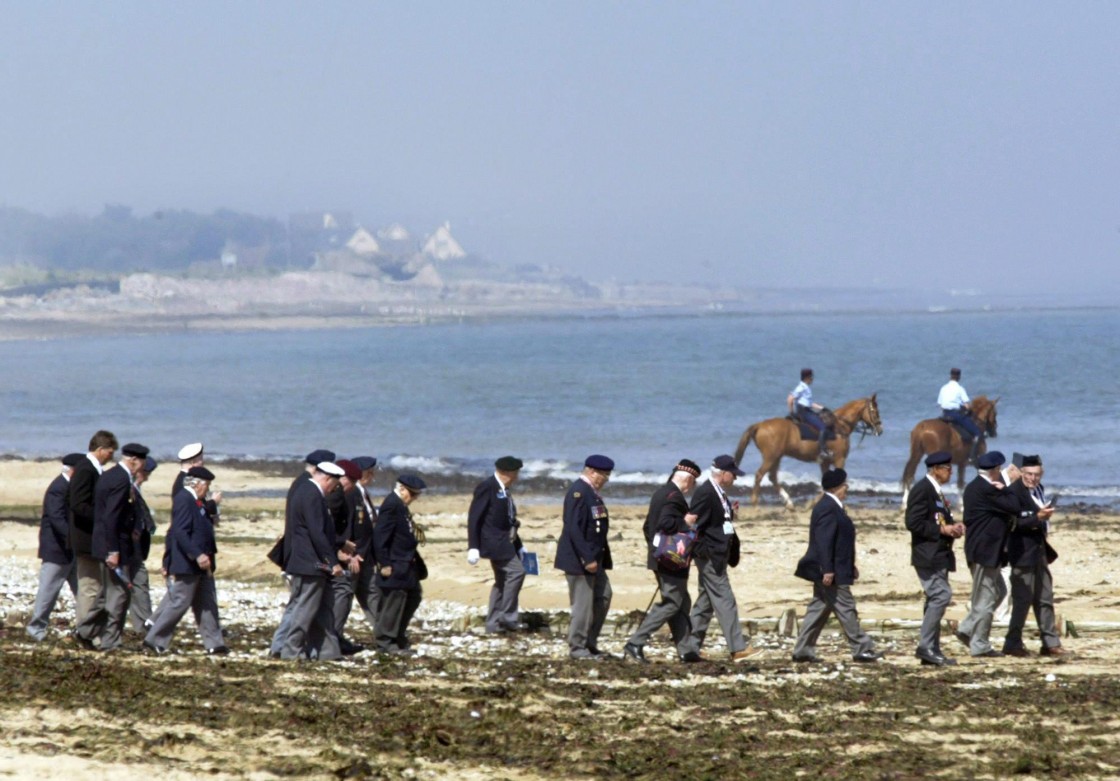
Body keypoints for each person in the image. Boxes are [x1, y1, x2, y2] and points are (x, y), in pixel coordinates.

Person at [791, 467, 882, 663]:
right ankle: (862, 648)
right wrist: (828, 570)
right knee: (846, 607)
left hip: (836, 567)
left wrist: (850, 565)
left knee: (818, 609)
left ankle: (803, 650)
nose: (846, 488)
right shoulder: (827, 508)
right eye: (844, 485)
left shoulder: (832, 506)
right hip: (830, 571)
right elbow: (824, 541)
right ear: (835, 488)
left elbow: (840, 541)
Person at [681, 455, 760, 663]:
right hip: (709, 555)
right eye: (733, 474)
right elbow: (692, 521)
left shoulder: (717, 492)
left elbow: (713, 520)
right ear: (723, 474)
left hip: (717, 553)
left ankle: (690, 648)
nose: (735, 478)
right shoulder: (706, 492)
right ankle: (738, 648)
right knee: (725, 600)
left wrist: (729, 514)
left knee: (705, 603)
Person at [623, 459, 702, 664]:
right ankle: (635, 643)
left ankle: (686, 651)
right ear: (688, 480)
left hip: (661, 558)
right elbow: (665, 523)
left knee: (681, 601)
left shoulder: (661, 493)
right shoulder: (674, 497)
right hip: (671, 560)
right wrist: (685, 523)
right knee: (672, 602)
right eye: (693, 482)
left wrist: (655, 549)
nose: (692, 487)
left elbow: (647, 526)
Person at [144, 466, 228, 655]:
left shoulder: (196, 501)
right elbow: (179, 532)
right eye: (207, 485)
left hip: (202, 562)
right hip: (188, 562)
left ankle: (214, 644)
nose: (208, 489)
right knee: (180, 602)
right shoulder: (184, 499)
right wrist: (196, 554)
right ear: (198, 484)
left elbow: (203, 523)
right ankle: (154, 639)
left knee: (206, 602)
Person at [78, 441, 149, 653]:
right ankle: (110, 641)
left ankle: (85, 631)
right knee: (119, 594)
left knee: (105, 594)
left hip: (108, 543)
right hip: (114, 545)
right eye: (142, 463)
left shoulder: (111, 474)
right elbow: (111, 517)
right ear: (133, 460)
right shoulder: (120, 479)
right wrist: (114, 551)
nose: (143, 468)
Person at [269, 448, 336, 658]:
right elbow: (315, 531)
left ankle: (284, 647)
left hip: (300, 557)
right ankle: (289, 649)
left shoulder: (302, 486)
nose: (333, 489)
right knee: (303, 608)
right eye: (334, 484)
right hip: (308, 560)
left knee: (299, 605)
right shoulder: (309, 491)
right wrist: (331, 560)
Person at [956, 451, 1022, 658]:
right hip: (984, 552)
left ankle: (967, 628)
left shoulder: (975, 486)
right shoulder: (987, 489)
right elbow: (1015, 506)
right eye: (999, 470)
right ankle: (980, 645)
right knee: (985, 598)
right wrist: (1007, 489)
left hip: (984, 550)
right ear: (994, 471)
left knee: (998, 592)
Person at [905, 451, 965, 666]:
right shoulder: (922, 489)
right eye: (948, 469)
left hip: (940, 553)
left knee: (934, 599)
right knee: (941, 595)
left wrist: (953, 527)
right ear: (936, 469)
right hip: (927, 554)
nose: (951, 473)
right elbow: (913, 522)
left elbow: (938, 518)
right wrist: (942, 530)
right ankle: (925, 647)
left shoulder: (936, 491)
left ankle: (932, 648)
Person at [1003, 454, 1064, 657]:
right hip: (1021, 552)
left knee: (1045, 597)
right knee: (1022, 600)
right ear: (1021, 473)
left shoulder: (1039, 489)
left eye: (1036, 475)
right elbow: (1013, 524)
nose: (1032, 478)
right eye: (1029, 474)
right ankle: (1012, 642)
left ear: (1041, 474)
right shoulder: (1013, 493)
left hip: (1039, 550)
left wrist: (1042, 518)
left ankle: (1050, 643)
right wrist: (1037, 518)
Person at [555, 455, 615, 660]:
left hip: (595, 558)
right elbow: (574, 528)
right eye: (604, 475)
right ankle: (578, 647)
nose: (606, 479)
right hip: (580, 560)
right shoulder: (579, 492)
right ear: (591, 471)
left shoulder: (592, 493)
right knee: (583, 605)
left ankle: (590, 642)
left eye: (607, 475)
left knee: (604, 595)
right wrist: (587, 558)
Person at [26, 453, 84, 642]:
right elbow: (57, 518)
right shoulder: (58, 488)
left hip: (72, 551)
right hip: (57, 550)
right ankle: (35, 629)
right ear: (73, 470)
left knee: (84, 591)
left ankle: (87, 629)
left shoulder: (72, 488)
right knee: (48, 592)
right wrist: (74, 539)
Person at [67, 430, 118, 644]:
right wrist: (102, 517)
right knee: (90, 587)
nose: (111, 457)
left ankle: (88, 631)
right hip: (85, 538)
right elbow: (78, 504)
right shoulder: (86, 469)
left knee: (93, 586)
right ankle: (85, 632)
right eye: (110, 452)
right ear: (100, 449)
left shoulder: (93, 469)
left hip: (91, 538)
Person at [466, 456, 527, 634]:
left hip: (507, 542)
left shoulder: (504, 490)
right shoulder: (487, 487)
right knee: (517, 572)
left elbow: (509, 521)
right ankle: (507, 618)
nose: (517, 477)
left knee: (502, 581)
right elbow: (474, 518)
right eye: (516, 473)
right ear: (507, 473)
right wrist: (473, 546)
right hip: (493, 543)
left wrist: (519, 545)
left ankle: (493, 624)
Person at [373, 474, 428, 655]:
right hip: (395, 563)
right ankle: (386, 642)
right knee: (393, 603)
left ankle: (397, 636)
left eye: (416, 495)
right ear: (402, 489)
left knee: (413, 597)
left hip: (406, 563)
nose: (414, 498)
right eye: (413, 494)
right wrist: (384, 563)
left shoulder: (400, 505)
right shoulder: (391, 504)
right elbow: (380, 536)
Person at [328, 459, 365, 654]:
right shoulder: (335, 496)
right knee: (341, 591)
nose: (353, 486)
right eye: (351, 481)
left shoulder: (345, 494)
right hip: (326, 554)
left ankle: (335, 637)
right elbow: (323, 527)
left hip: (335, 551)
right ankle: (332, 639)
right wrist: (339, 549)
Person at [128, 456, 159, 633]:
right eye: (145, 473)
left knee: (138, 584)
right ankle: (146, 624)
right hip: (128, 546)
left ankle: (143, 625)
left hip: (135, 545)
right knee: (137, 584)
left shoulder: (134, 488)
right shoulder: (128, 488)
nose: (146, 478)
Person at [350, 456, 381, 634]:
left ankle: (384, 634)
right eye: (370, 473)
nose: (373, 476)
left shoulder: (362, 492)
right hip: (355, 553)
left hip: (367, 552)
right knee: (346, 596)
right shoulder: (352, 492)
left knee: (371, 592)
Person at [938, 368, 984, 466]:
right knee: (977, 433)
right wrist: (968, 409)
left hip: (945, 415)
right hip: (956, 415)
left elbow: (941, 405)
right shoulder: (960, 388)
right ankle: (972, 457)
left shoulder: (943, 388)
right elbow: (967, 405)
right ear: (959, 377)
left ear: (950, 376)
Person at [788, 368, 834, 461]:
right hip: (804, 412)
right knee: (823, 427)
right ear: (807, 378)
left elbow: (809, 403)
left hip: (807, 410)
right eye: (811, 377)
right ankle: (823, 451)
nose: (812, 379)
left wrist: (823, 408)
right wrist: (792, 413)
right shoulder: (801, 387)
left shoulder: (806, 387)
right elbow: (790, 399)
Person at [173, 442, 222, 526]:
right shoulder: (186, 480)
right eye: (201, 459)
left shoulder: (185, 478)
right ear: (192, 462)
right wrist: (213, 502)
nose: (203, 462)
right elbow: (195, 505)